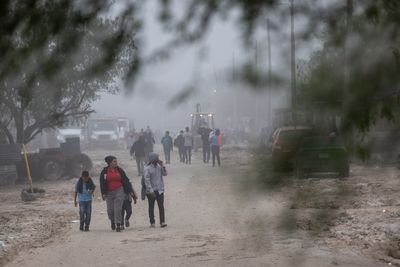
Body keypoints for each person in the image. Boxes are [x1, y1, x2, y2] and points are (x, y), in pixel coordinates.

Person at [100, 155, 135, 232]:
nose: (116, 163)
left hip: (119, 191)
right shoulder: (104, 172)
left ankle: (118, 224)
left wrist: (130, 191)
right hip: (109, 192)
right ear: (110, 163)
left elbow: (126, 181)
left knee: (118, 209)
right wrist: (103, 193)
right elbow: (102, 183)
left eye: (116, 161)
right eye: (114, 161)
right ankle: (112, 221)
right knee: (110, 210)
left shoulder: (120, 170)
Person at [142, 152, 167, 228]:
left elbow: (165, 174)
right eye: (157, 158)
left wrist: (162, 165)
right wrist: (150, 191)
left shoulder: (159, 167)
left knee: (161, 206)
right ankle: (152, 222)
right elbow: (147, 180)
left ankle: (162, 222)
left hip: (159, 189)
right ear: (153, 159)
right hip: (151, 191)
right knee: (151, 206)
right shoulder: (147, 168)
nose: (158, 160)